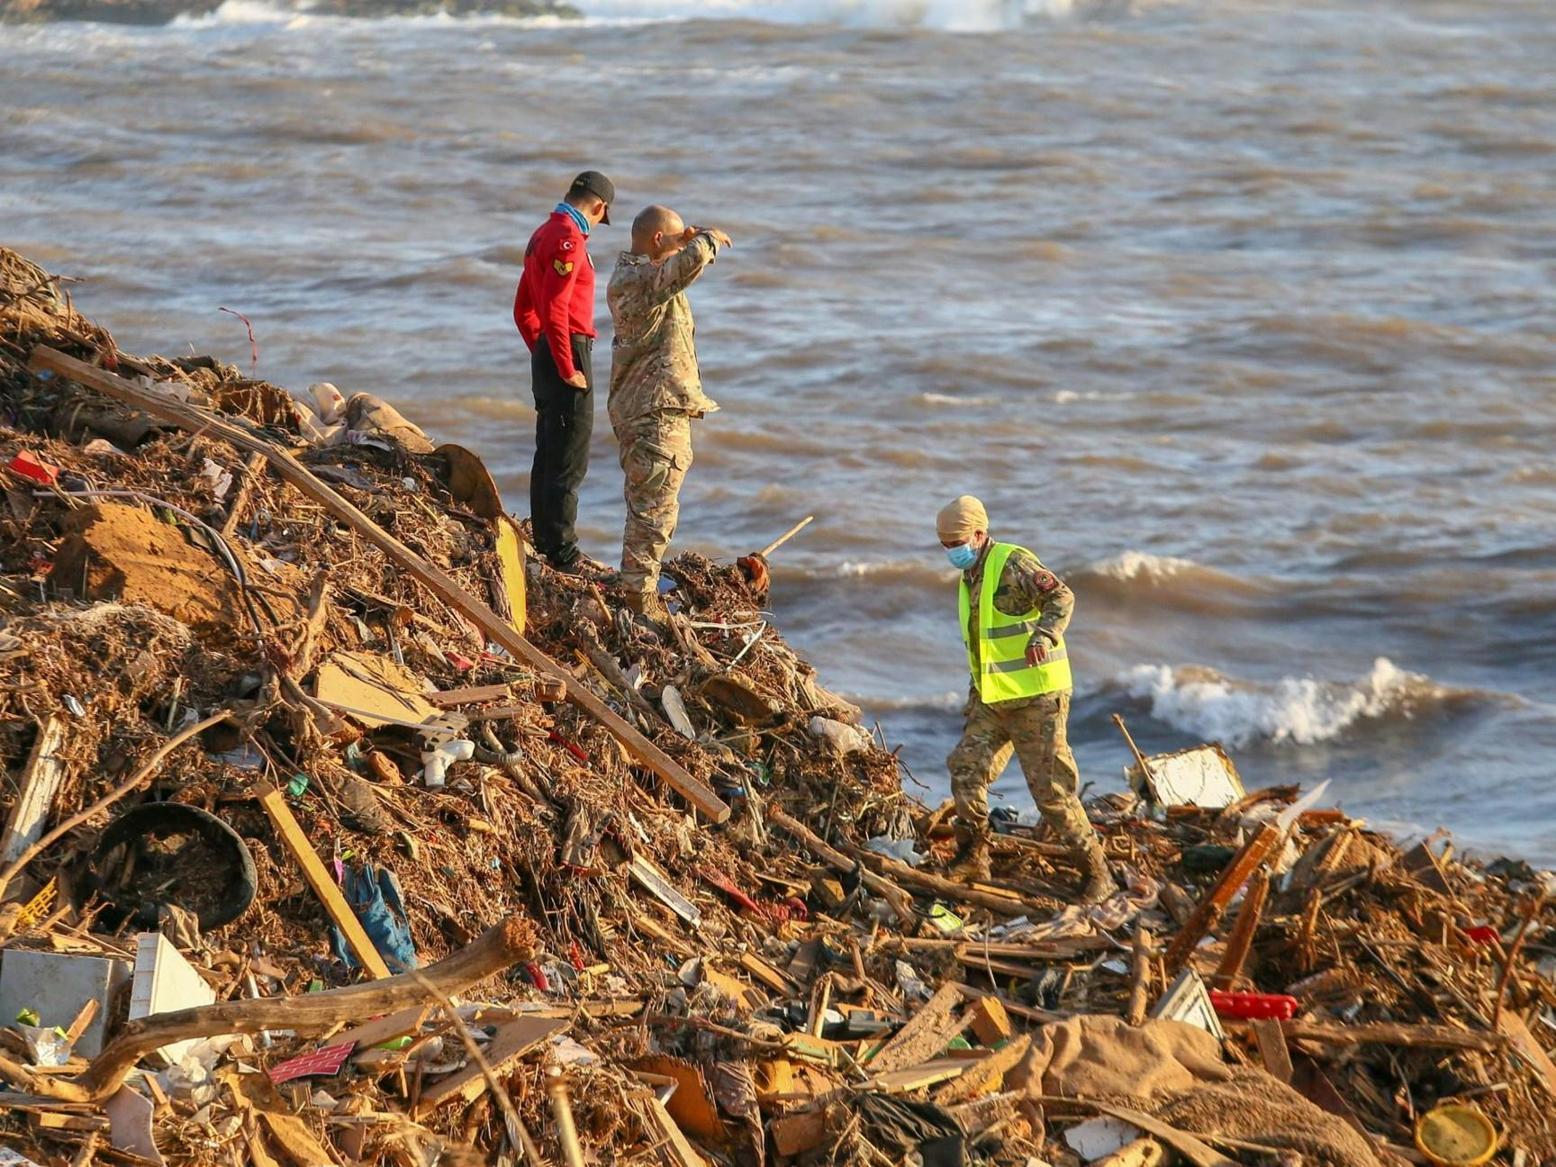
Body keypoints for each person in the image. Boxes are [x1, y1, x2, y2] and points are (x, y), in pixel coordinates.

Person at [937, 494, 1118, 903]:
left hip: (1037, 699)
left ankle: (1098, 872)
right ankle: (973, 856)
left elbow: (1062, 597)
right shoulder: (971, 578)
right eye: (946, 546)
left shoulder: (1013, 564)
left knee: (1052, 795)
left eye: (957, 544)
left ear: (979, 534)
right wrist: (976, 695)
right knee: (966, 769)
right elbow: (984, 644)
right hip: (992, 699)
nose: (952, 552)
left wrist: (1045, 633)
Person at [606, 204, 731, 620]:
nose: (683, 243)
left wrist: (684, 241)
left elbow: (675, 270)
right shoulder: (641, 279)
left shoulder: (640, 278)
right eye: (676, 238)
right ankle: (639, 603)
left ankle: (637, 590)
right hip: (653, 413)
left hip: (650, 409)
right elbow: (687, 265)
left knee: (651, 506)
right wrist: (707, 238)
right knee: (653, 512)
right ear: (658, 240)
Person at [513, 170, 616, 572]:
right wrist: (566, 365)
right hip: (566, 349)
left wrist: (540, 349)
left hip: (549, 349)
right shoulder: (568, 240)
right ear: (598, 206)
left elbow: (523, 309)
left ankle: (546, 541)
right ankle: (562, 552)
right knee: (569, 456)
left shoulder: (541, 234)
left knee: (548, 449)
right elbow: (555, 308)